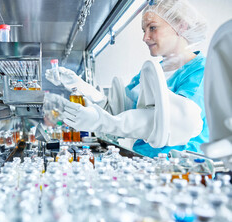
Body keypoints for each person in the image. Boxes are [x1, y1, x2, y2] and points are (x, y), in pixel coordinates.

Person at [44, 0, 209, 158]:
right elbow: (120, 110)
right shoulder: (150, 73)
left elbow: (173, 122)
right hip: (144, 160)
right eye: (144, 31)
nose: (145, 37)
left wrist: (102, 122)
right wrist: (78, 85)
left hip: (181, 170)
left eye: (152, 28)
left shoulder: (201, 72)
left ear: (181, 26)